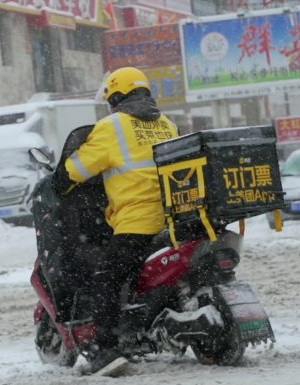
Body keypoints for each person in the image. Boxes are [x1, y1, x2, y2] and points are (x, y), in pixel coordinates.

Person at [52, 67, 178, 376]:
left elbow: (76, 171)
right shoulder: (167, 125)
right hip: (174, 219)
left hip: (138, 223)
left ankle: (106, 350)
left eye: (111, 99)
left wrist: (59, 181)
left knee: (106, 277)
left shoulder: (112, 127)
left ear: (118, 97)